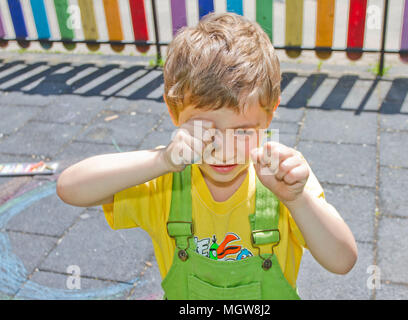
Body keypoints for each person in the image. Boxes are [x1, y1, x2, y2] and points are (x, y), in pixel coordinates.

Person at [56, 12, 357, 300]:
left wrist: (297, 198)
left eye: (241, 132)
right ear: (174, 110)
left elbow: (342, 260)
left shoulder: (286, 177)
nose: (223, 150)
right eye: (206, 131)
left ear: (270, 113)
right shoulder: (165, 183)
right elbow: (70, 188)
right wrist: (160, 161)